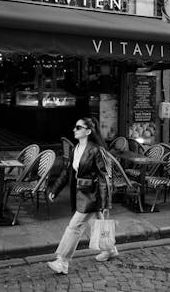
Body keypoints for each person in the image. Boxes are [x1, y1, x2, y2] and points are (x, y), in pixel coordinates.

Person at [47, 117, 118, 275]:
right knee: (100, 222)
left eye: (78, 127)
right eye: (75, 127)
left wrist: (106, 203)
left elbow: (104, 177)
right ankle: (110, 249)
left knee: (75, 226)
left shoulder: (96, 150)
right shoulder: (76, 148)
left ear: (88, 131)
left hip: (92, 195)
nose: (74, 130)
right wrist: (55, 189)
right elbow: (67, 172)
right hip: (81, 193)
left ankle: (62, 262)